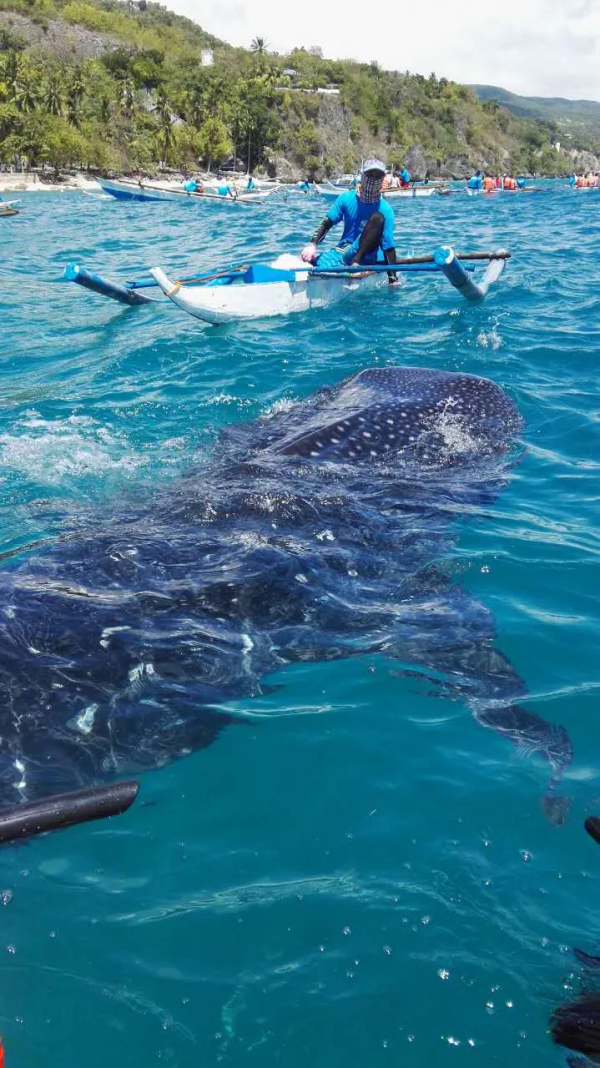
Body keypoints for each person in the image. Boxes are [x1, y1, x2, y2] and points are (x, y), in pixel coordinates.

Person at [300, 158, 398, 283]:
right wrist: (312, 245)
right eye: (370, 174)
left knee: (377, 218)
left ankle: (355, 262)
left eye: (377, 176)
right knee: (310, 262)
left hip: (366, 257)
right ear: (362, 175)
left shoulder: (386, 210)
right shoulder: (346, 198)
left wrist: (393, 279)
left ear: (383, 178)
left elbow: (388, 248)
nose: (373, 179)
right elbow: (327, 223)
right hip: (343, 252)